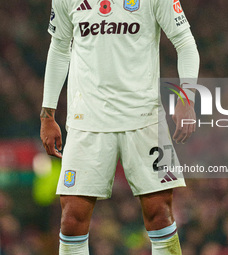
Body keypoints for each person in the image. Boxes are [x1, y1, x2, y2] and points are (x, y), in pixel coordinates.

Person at [40, 0, 199, 254]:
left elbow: (185, 42)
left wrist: (186, 98)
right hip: (87, 120)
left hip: (146, 118)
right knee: (71, 219)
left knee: (160, 213)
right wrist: (47, 114)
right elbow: (59, 47)